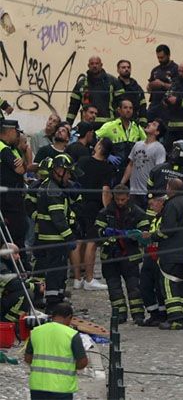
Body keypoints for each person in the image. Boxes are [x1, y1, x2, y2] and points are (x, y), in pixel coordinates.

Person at [95, 185, 149, 325]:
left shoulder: (138, 212)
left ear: (128, 197)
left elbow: (145, 233)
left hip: (130, 256)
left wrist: (133, 235)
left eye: (123, 199)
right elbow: (96, 232)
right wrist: (105, 232)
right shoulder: (105, 212)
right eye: (118, 199)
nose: (120, 202)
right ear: (113, 197)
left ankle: (138, 314)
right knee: (114, 288)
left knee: (134, 287)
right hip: (110, 256)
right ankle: (119, 314)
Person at [33, 154, 80, 313]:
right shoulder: (53, 191)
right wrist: (69, 237)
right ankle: (53, 304)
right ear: (58, 171)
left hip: (51, 238)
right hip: (55, 239)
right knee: (55, 273)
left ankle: (58, 300)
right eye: (67, 173)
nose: (68, 176)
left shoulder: (51, 186)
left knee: (60, 271)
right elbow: (58, 219)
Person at [153, 178, 183, 330]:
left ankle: (174, 319)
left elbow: (167, 230)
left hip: (172, 253)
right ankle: (181, 315)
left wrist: (152, 236)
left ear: (169, 189)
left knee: (169, 284)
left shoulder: (172, 204)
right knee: (179, 284)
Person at [72, 138, 114, 292]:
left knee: (77, 241)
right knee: (92, 242)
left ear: (99, 147)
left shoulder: (83, 161)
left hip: (78, 204)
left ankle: (77, 278)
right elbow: (105, 191)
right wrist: (108, 211)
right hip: (93, 206)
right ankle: (89, 279)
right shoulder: (107, 168)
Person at [25, 302, 88, 400]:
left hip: (37, 386)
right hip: (62, 388)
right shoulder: (72, 334)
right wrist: (69, 366)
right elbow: (83, 362)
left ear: (52, 316)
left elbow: (28, 358)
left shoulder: (35, 332)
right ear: (69, 317)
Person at [0, 120, 29, 267]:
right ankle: (16, 268)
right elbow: (19, 170)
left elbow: (24, 168)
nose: (18, 135)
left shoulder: (12, 148)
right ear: (9, 131)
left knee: (21, 232)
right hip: (7, 203)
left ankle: (21, 265)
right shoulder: (2, 148)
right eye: (16, 132)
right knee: (13, 236)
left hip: (15, 199)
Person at [95, 98, 147, 178]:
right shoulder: (110, 126)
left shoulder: (136, 127)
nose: (128, 110)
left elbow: (146, 143)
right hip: (114, 170)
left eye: (130, 108)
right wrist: (106, 155)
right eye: (125, 108)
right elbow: (94, 138)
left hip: (131, 171)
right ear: (119, 110)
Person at [121, 119, 167, 208]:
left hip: (147, 193)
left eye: (153, 124)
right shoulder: (137, 144)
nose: (149, 124)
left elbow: (159, 171)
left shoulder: (159, 148)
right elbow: (131, 165)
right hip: (133, 191)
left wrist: (154, 194)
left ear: (157, 132)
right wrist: (122, 184)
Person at [67, 55, 124, 126]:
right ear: (88, 65)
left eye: (97, 63)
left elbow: (122, 104)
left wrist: (120, 124)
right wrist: (68, 125)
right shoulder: (81, 84)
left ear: (101, 65)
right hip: (87, 125)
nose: (94, 66)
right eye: (92, 64)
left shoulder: (113, 82)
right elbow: (73, 107)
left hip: (108, 126)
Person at [140, 194, 166, 326]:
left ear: (161, 202)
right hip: (150, 256)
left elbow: (163, 234)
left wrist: (150, 236)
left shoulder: (165, 217)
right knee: (145, 284)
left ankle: (162, 314)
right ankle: (153, 313)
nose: (151, 207)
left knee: (159, 286)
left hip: (160, 256)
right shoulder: (155, 218)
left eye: (153, 204)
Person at [147, 44, 179, 122]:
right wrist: (150, 85)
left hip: (168, 106)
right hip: (154, 104)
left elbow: (178, 87)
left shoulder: (176, 69)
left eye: (162, 57)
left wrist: (162, 84)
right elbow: (148, 89)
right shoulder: (155, 70)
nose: (160, 60)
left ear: (168, 55)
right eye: (158, 57)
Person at [116, 59, 147, 126]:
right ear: (118, 70)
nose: (126, 69)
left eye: (128, 67)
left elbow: (143, 105)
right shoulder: (115, 86)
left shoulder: (137, 87)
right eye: (123, 67)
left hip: (135, 122)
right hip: (119, 122)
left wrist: (143, 122)